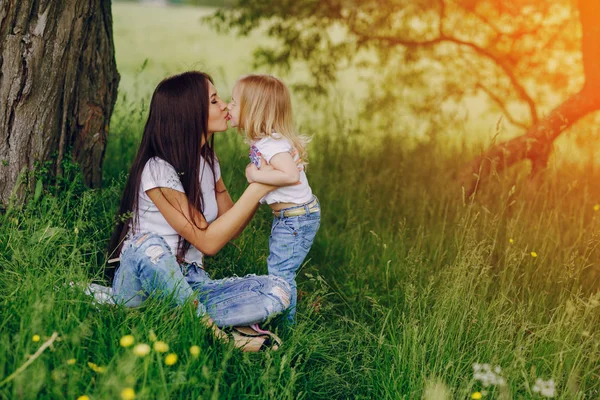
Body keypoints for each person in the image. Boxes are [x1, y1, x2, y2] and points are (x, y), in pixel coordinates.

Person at [106, 71, 291, 351]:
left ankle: (169, 317)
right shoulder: (157, 169)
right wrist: (258, 187)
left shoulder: (208, 161)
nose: (226, 106)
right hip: (142, 278)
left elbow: (232, 227)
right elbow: (208, 241)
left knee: (278, 290)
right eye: (215, 101)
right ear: (190, 113)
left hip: (191, 283)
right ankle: (219, 336)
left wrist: (264, 180)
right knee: (147, 245)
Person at [227, 74, 321, 323]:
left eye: (234, 102)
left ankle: (284, 328)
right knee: (280, 270)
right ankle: (280, 319)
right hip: (294, 217)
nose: (228, 106)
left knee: (281, 274)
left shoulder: (271, 145)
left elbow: (290, 175)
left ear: (253, 110)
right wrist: (255, 173)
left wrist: (254, 174)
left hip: (296, 219)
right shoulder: (265, 142)